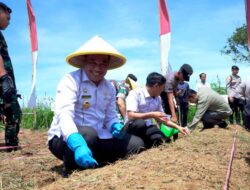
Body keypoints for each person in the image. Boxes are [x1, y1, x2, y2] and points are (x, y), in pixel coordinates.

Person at [48, 36, 145, 171]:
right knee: (88, 135)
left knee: (136, 144)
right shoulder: (70, 80)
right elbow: (64, 114)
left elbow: (110, 116)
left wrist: (114, 126)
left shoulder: (109, 87)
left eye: (103, 63)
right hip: (67, 138)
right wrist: (75, 141)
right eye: (92, 62)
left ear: (108, 65)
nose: (98, 68)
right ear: (84, 61)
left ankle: (95, 160)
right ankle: (71, 167)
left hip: (98, 136)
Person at [126, 72, 190, 148]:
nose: (162, 91)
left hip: (147, 127)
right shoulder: (135, 93)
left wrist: (178, 127)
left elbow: (163, 118)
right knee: (140, 123)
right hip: (132, 127)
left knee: (164, 140)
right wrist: (152, 114)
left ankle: (145, 142)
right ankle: (138, 142)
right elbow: (130, 116)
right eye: (162, 88)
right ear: (156, 86)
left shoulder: (158, 98)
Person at [0, 3, 22, 150]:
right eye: (7, 17)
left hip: (4, 81)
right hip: (2, 81)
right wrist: (3, 77)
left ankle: (11, 143)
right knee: (13, 111)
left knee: (11, 111)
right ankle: (11, 143)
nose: (9, 21)